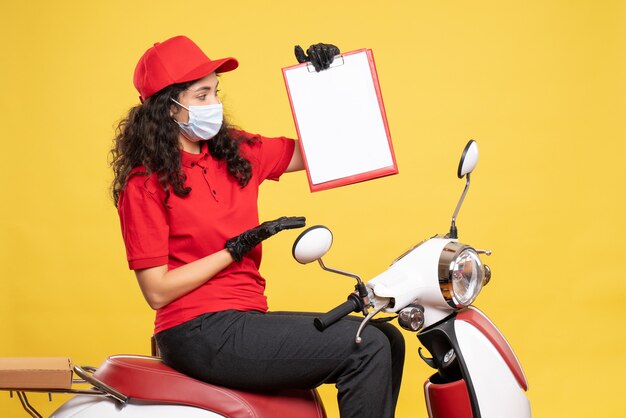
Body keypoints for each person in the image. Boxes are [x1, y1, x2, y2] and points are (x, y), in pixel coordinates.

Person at [110, 35, 405, 418]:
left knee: (387, 337)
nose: (214, 105)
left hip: (245, 319)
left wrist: (327, 83)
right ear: (168, 107)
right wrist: (231, 251)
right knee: (367, 346)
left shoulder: (234, 151)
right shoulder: (145, 184)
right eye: (201, 96)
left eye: (215, 92)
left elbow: (330, 151)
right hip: (196, 332)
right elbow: (157, 291)